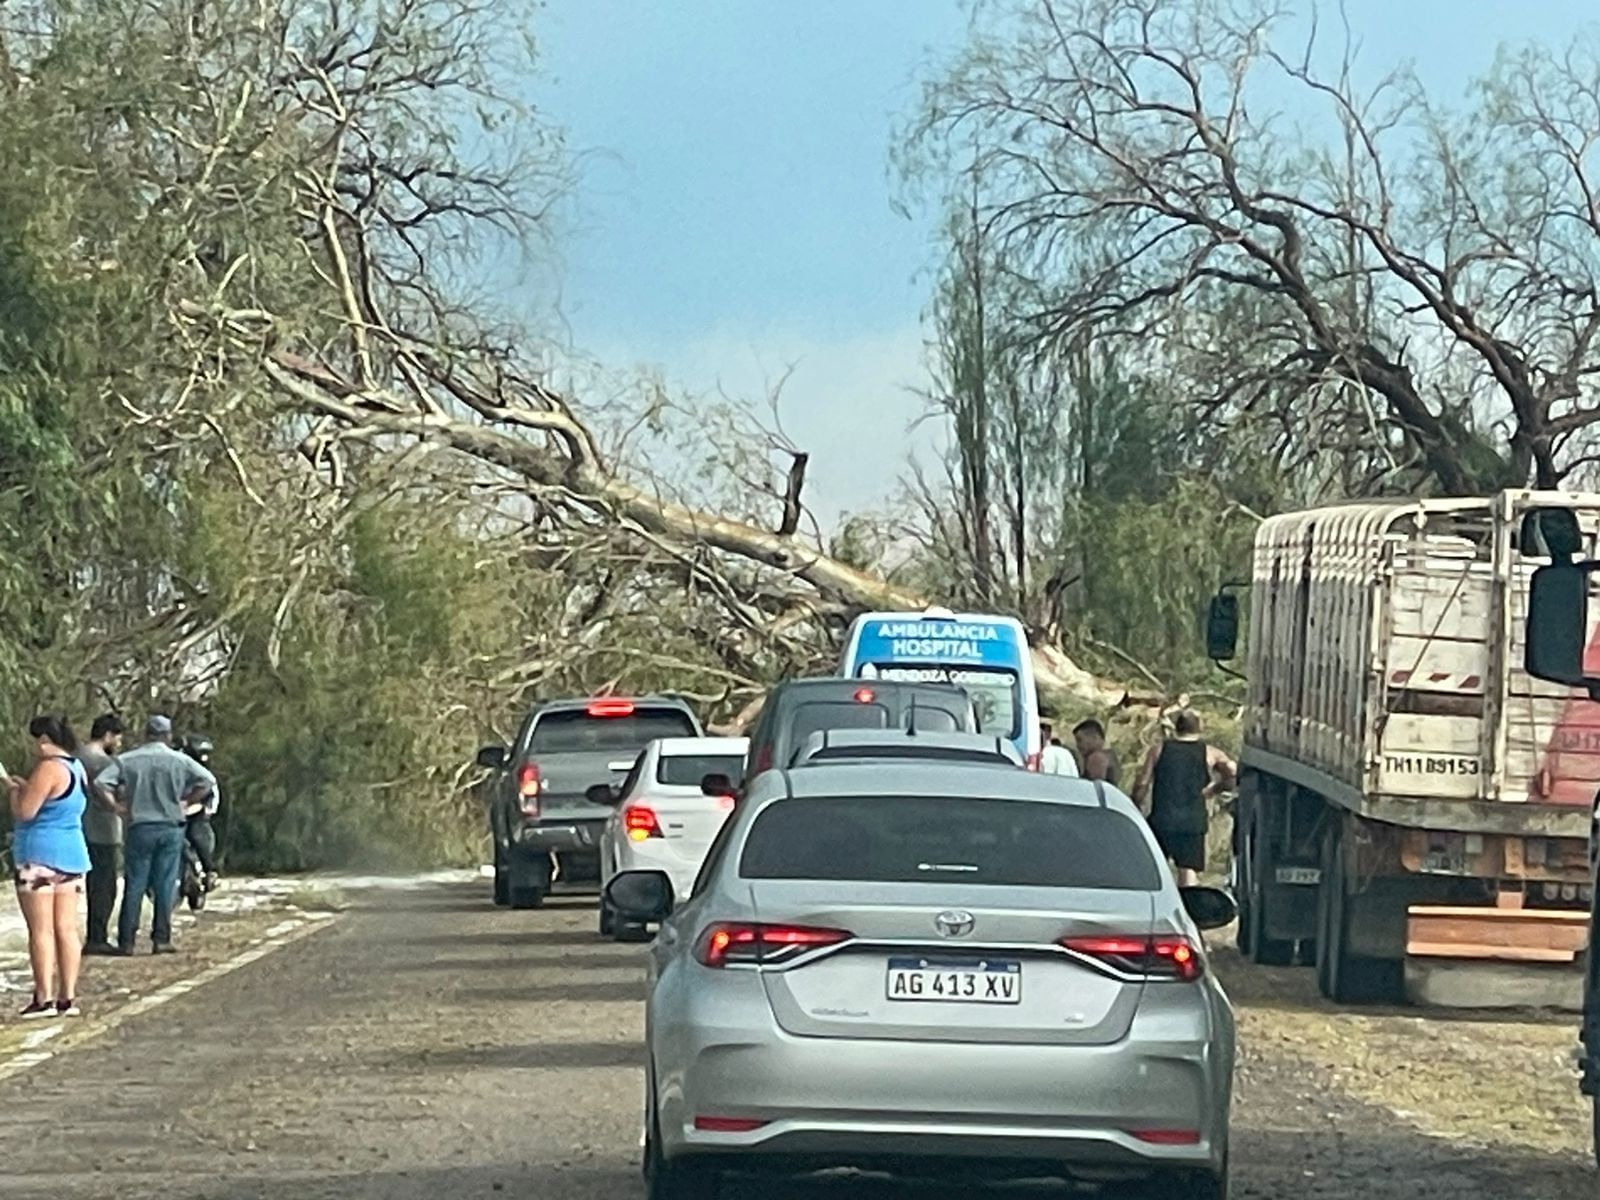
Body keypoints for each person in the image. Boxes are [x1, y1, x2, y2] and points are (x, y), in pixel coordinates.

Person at [96, 715, 217, 955]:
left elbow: (101, 783)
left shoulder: (128, 760)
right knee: (164, 883)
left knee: (135, 884)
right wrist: (187, 801)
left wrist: (116, 807)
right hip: (171, 826)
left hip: (139, 826)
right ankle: (161, 938)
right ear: (168, 736)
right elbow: (208, 781)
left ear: (145, 734)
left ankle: (127, 941)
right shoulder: (179, 760)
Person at [7, 715, 92, 1018]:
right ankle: (67, 997)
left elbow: (26, 812)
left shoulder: (48, 768)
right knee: (67, 928)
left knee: (41, 930)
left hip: (39, 853)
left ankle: (43, 996)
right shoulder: (76, 768)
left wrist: (13, 789)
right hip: (71, 854)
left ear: (44, 740)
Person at [1134, 709, 1236, 888]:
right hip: (1192, 821)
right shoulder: (1209, 753)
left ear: (1177, 727)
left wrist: (1135, 804)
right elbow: (1232, 774)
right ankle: (1188, 908)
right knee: (1188, 870)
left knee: (1154, 868)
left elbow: (1143, 782)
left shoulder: (1159, 750)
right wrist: (1214, 789)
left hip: (1162, 819)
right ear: (1200, 727)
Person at [78, 713, 126, 955]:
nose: (118, 743)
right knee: (105, 886)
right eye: (117, 738)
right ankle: (98, 937)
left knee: (90, 884)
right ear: (107, 735)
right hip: (104, 829)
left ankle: (93, 934)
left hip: (81, 827)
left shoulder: (77, 757)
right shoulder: (105, 764)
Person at [179, 733, 220, 889]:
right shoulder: (177, 763)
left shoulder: (206, 774)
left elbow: (212, 790)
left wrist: (206, 809)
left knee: (198, 833)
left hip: (198, 810)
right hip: (173, 810)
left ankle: (210, 870)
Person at [1072, 718, 1122, 786]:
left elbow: (1092, 786)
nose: (1078, 745)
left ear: (1095, 738)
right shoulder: (1110, 755)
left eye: (1080, 740)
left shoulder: (1097, 757)